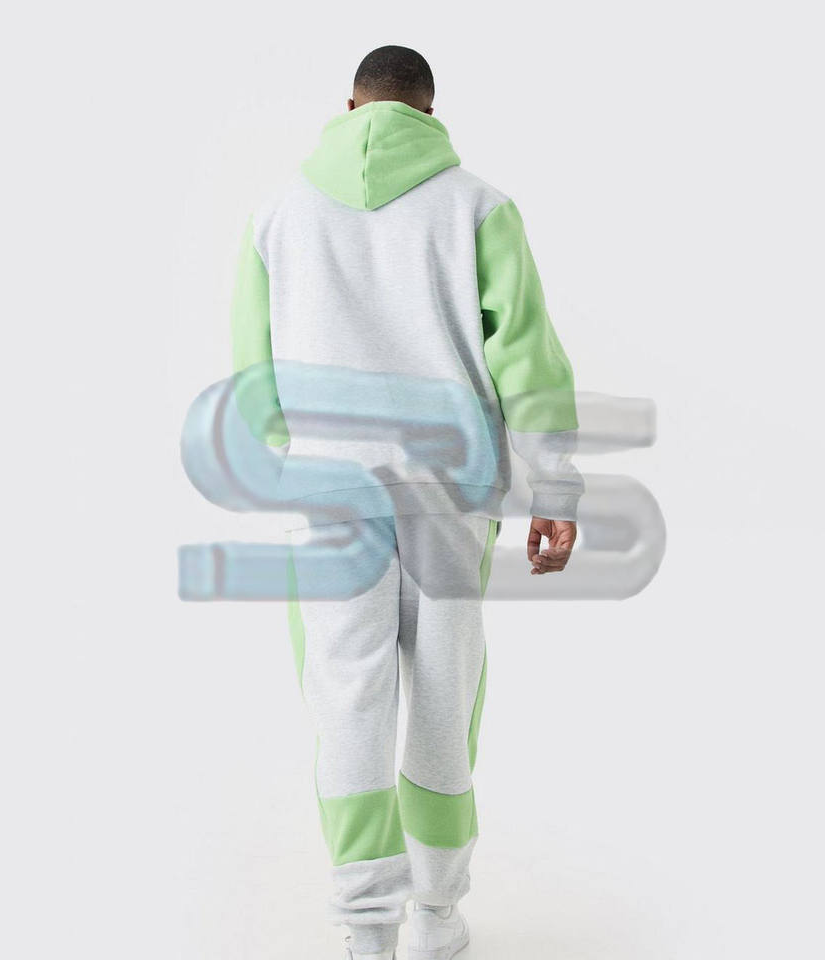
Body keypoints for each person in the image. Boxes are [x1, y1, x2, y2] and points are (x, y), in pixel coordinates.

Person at [231, 44, 583, 960]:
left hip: (330, 491)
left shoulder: (278, 215)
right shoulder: (479, 207)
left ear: (350, 105)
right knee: (442, 696)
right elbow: (527, 359)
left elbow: (254, 378)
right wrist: (554, 485)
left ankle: (365, 928)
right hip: (449, 491)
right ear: (430, 112)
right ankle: (435, 917)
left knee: (346, 697)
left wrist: (293, 451)